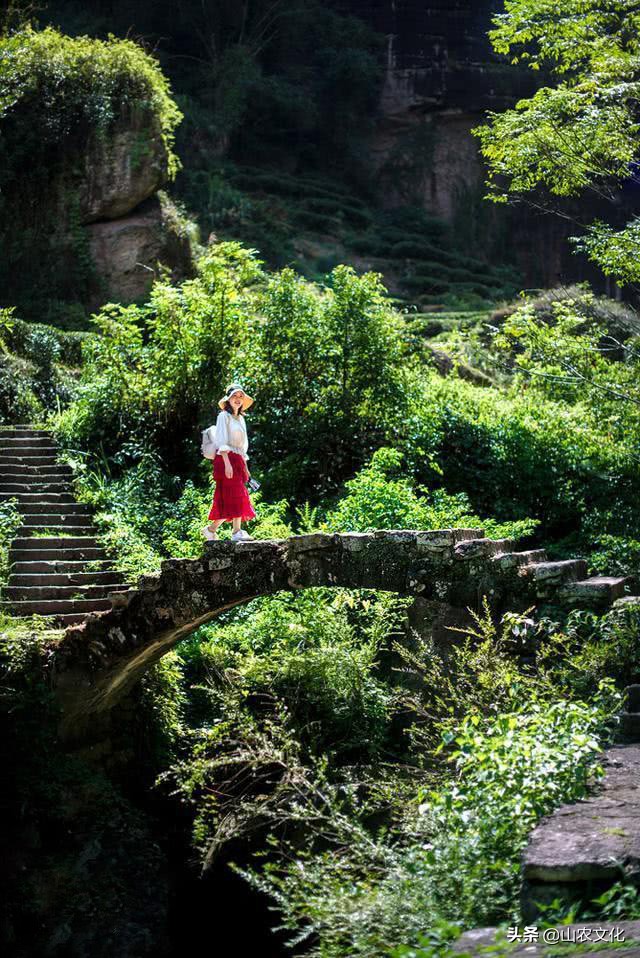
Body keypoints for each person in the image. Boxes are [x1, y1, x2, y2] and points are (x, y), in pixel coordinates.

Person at [202, 384, 256, 542]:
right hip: (226, 459)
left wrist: (245, 466)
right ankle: (236, 531)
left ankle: (212, 530)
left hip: (237, 459)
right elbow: (221, 441)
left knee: (235, 496)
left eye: (241, 396)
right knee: (235, 494)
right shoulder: (223, 416)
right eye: (235, 396)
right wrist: (227, 463)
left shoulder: (240, 418)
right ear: (228, 399)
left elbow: (242, 446)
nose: (238, 399)